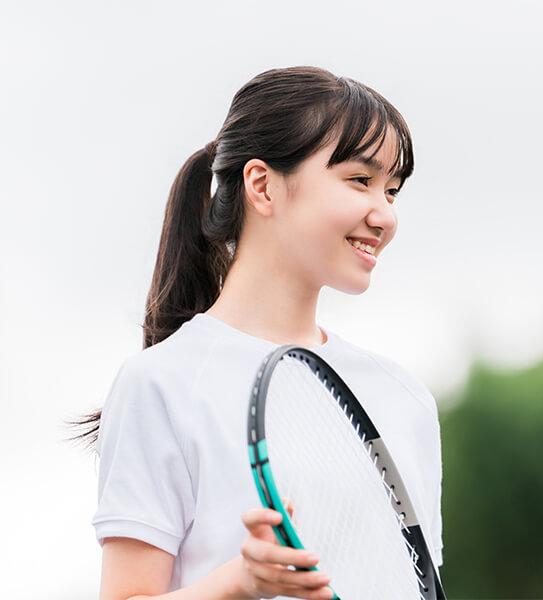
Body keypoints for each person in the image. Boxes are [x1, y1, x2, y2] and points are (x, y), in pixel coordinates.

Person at [80, 66, 442, 599]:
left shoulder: (405, 398)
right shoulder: (159, 384)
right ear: (262, 185)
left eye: (392, 191)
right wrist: (240, 581)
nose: (384, 215)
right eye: (360, 180)